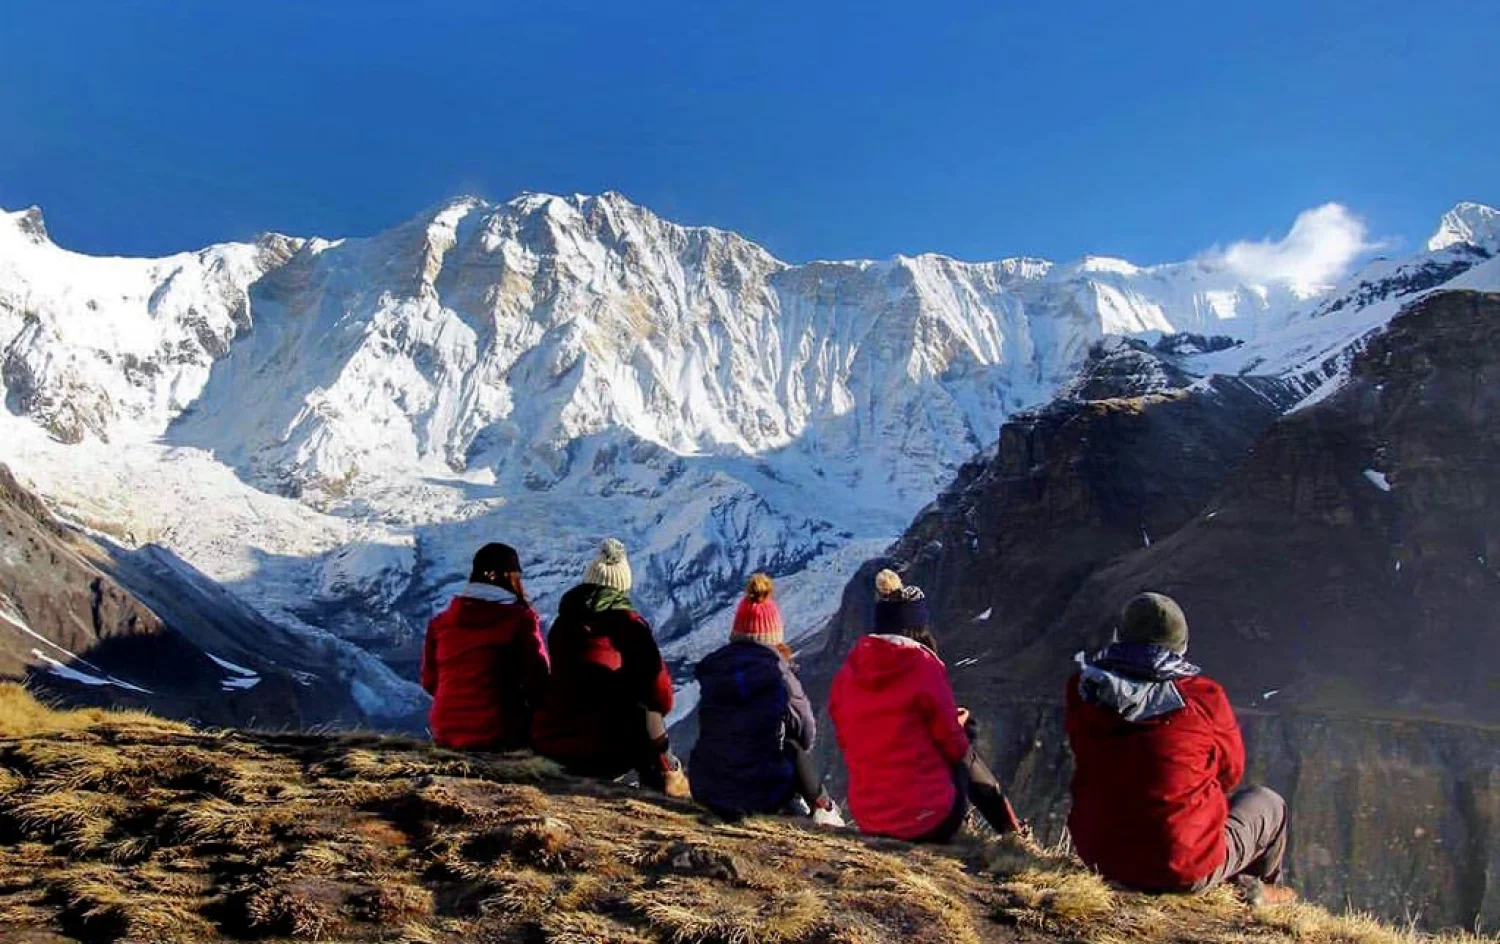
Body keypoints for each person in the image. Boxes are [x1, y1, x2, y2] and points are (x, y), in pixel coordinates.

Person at [1065, 592, 1296, 904]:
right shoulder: (1204, 697)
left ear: (1119, 636)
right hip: (1182, 866)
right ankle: (1258, 896)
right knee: (1269, 804)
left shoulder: (1084, 691)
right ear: (1181, 646)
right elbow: (1230, 773)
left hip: (1101, 858)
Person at [830, 569, 1022, 843]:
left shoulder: (847, 673)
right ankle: (1011, 832)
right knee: (965, 741)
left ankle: (1008, 830)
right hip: (928, 821)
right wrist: (959, 724)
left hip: (869, 819)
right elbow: (954, 746)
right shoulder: (923, 667)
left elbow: (850, 739)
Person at [532, 538, 689, 796]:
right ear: (622, 585)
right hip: (605, 750)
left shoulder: (562, 624)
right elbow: (660, 693)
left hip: (552, 743)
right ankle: (665, 784)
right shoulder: (628, 625)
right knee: (646, 712)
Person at [690, 574, 844, 826]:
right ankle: (823, 808)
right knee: (792, 747)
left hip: (706, 788)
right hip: (758, 794)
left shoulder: (715, 669)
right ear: (774, 633)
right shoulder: (778, 673)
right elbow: (805, 731)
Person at [421, 542, 549, 751]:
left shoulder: (440, 623)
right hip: (499, 731)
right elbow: (538, 680)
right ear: (509, 577)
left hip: (445, 730)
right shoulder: (519, 620)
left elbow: (430, 681)